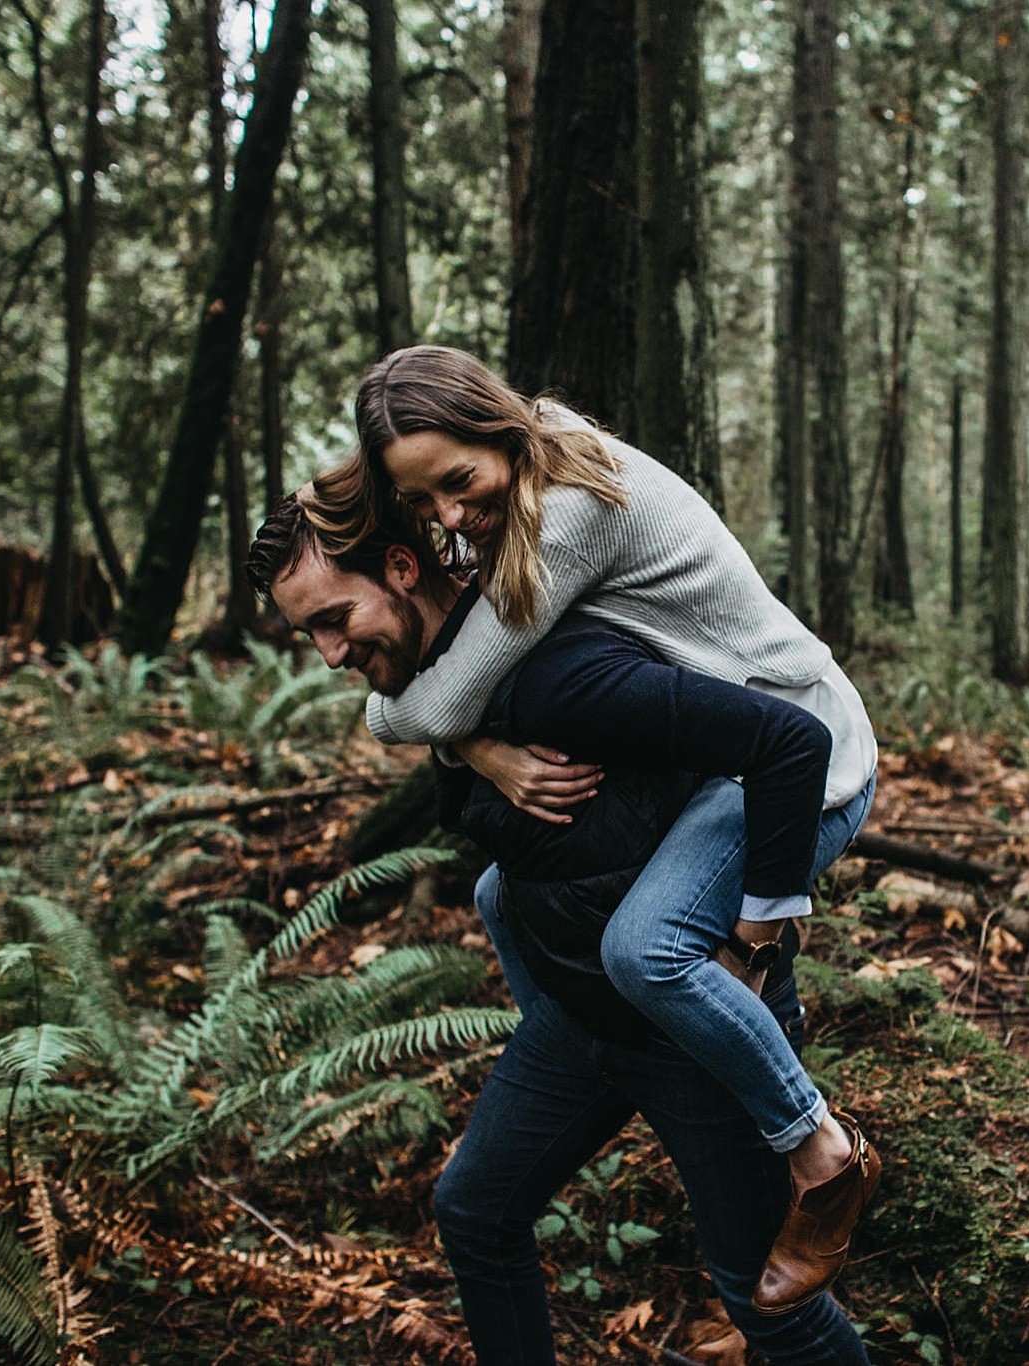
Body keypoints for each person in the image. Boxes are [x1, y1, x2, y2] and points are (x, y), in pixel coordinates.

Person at [305, 345, 881, 1313]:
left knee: (644, 947)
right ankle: (577, 1053)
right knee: (497, 893)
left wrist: (759, 925)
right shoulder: (536, 468)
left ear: (495, 424)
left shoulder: (567, 512)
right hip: (732, 751)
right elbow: (462, 707)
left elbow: (436, 703)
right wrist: (484, 756)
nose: (450, 515)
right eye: (425, 503)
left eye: (457, 480)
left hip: (807, 759)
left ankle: (821, 1147)